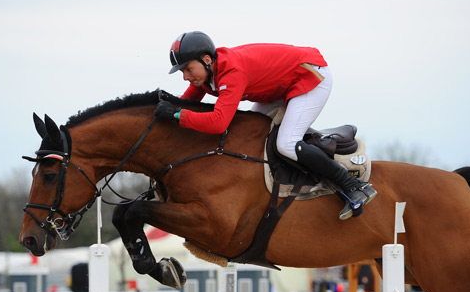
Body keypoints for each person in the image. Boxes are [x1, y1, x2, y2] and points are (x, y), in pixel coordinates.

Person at [154, 31, 376, 219]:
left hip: (310, 76)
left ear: (206, 60)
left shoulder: (231, 72)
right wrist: (162, 109)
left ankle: (354, 186)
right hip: (281, 86)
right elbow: (185, 105)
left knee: (286, 144)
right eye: (182, 72)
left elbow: (218, 123)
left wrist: (176, 115)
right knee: (247, 134)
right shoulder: (207, 74)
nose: (185, 77)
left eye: (187, 69)